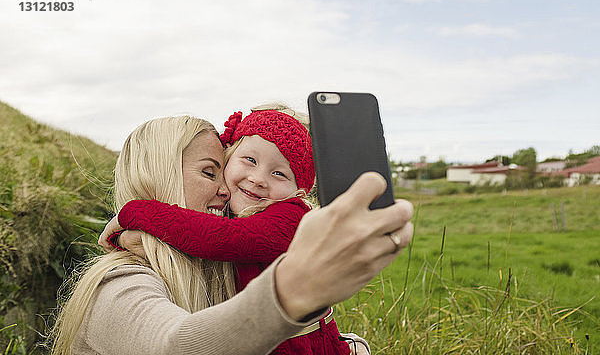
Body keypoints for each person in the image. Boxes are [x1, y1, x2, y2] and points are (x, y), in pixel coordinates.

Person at [50, 115, 414, 355]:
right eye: (212, 172)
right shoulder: (118, 286)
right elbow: (174, 346)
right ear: (161, 174)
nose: (229, 190)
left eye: (279, 174)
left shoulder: (212, 268)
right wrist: (289, 295)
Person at [99, 105, 354, 354]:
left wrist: (138, 212)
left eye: (279, 174)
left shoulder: (291, 216)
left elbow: (218, 238)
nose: (258, 179)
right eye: (250, 160)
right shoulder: (124, 290)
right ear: (231, 157)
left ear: (299, 192)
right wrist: (140, 241)